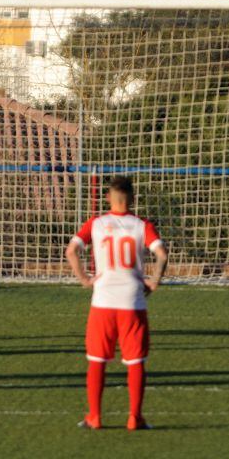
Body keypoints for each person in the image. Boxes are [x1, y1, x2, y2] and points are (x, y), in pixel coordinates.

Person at [65, 176, 169, 431]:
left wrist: (84, 279)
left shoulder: (97, 223)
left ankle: (95, 417)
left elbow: (71, 251)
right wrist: (154, 281)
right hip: (133, 301)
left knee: (97, 359)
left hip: (103, 301)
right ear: (132, 198)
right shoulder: (141, 224)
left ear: (109, 198)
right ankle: (135, 417)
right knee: (135, 361)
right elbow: (162, 254)